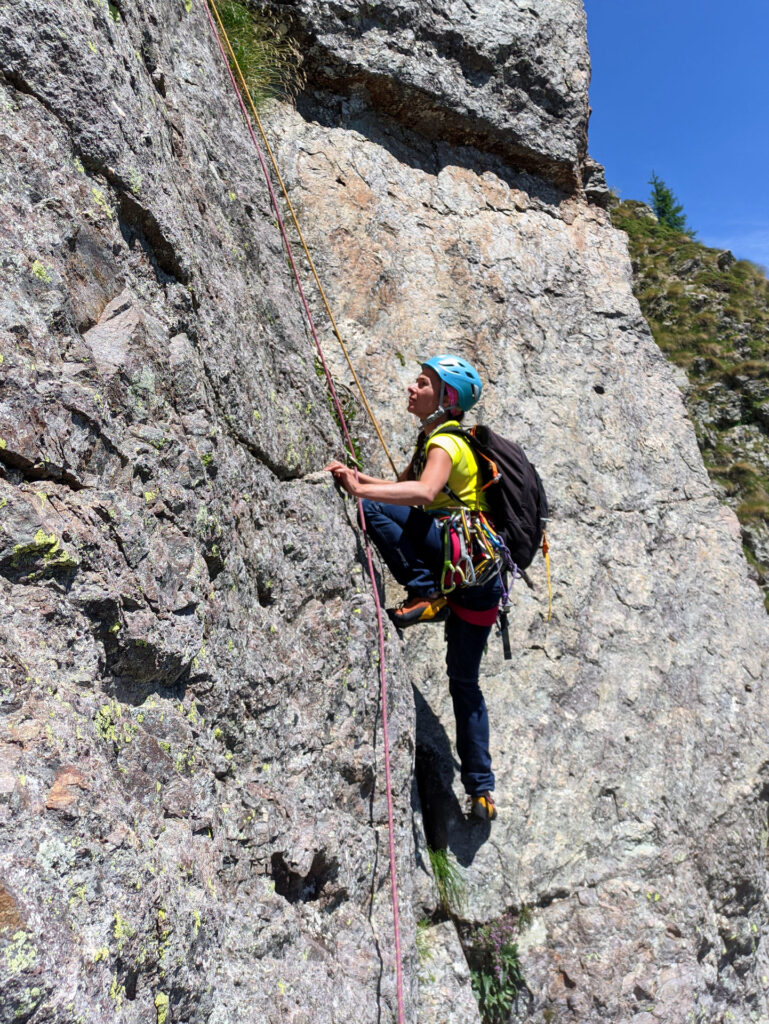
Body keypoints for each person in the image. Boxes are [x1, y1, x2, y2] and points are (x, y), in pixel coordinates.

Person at [325, 355, 502, 821]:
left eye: (422, 383)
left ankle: (426, 592)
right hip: (481, 582)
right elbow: (402, 486)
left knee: (374, 510)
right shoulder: (437, 439)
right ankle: (481, 790)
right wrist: (358, 478)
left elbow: (421, 495)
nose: (411, 388)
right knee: (465, 684)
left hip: (454, 562)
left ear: (445, 398)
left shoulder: (445, 441)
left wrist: (360, 493)